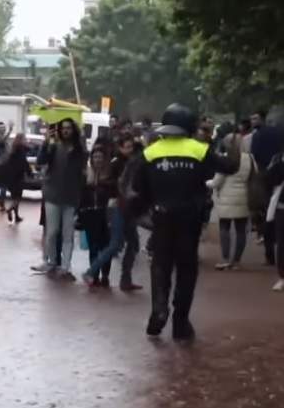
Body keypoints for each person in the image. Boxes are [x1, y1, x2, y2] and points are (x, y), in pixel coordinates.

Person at [131, 103, 236, 340]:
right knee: (187, 269)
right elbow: (230, 166)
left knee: (161, 266)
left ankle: (159, 310)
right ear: (190, 126)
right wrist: (234, 146)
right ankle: (180, 323)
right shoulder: (199, 150)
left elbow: (137, 187)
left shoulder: (150, 153)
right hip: (190, 220)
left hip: (161, 218)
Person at [83, 134, 144, 291]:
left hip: (128, 208)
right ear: (120, 147)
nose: (130, 150)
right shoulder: (116, 164)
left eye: (131, 147)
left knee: (132, 244)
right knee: (114, 244)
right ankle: (91, 271)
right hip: (118, 207)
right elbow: (112, 184)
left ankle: (125, 278)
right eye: (127, 147)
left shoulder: (132, 162)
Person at [35, 118, 86, 280]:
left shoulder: (79, 150)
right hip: (53, 195)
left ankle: (65, 266)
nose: (66, 130)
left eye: (69, 128)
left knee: (68, 234)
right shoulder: (53, 146)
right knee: (51, 232)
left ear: (73, 130)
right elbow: (40, 161)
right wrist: (46, 143)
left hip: (71, 197)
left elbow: (82, 172)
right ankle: (52, 261)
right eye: (63, 128)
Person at [207, 133, 251, 270]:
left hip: (225, 199)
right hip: (244, 197)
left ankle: (225, 259)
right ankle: (237, 261)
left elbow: (216, 182)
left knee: (224, 228)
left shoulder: (225, 159)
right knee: (241, 230)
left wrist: (206, 182)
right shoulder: (249, 158)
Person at [247, 110, 282, 266]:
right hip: (280, 173)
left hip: (263, 175)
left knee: (266, 213)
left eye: (255, 118)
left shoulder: (257, 135)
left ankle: (270, 255)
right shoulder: (279, 133)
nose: (252, 121)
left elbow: (254, 155)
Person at [79, 147, 113, 287]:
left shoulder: (109, 174)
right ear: (91, 159)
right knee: (93, 246)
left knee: (106, 246)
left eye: (100, 157)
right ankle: (94, 274)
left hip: (106, 214)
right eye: (95, 157)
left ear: (104, 159)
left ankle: (105, 275)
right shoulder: (86, 174)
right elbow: (80, 194)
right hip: (90, 214)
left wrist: (101, 184)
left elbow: (114, 190)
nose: (98, 159)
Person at [263, 150, 284, 291]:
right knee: (282, 243)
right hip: (282, 207)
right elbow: (269, 179)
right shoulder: (279, 160)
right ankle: (282, 277)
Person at [0, 133, 32, 224]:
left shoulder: (13, 149)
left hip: (10, 178)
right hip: (18, 178)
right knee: (18, 198)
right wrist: (29, 172)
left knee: (14, 197)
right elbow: (24, 162)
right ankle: (10, 209)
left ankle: (16, 216)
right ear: (21, 140)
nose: (25, 140)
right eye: (24, 139)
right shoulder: (21, 150)